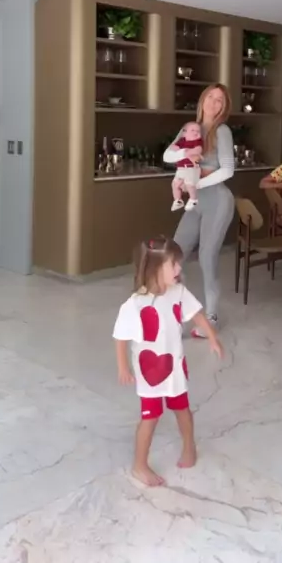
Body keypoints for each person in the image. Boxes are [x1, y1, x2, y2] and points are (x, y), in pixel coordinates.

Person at [113, 236, 223, 487]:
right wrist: (123, 366)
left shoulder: (178, 292)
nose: (179, 268)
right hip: (149, 372)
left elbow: (196, 314)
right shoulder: (134, 305)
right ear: (155, 269)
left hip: (174, 368)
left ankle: (189, 447)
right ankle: (139, 465)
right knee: (150, 416)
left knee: (182, 408)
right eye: (173, 264)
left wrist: (213, 337)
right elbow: (120, 337)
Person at [163, 83, 235, 336]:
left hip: (218, 200)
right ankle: (174, 312)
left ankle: (211, 317)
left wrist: (195, 183)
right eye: (211, 97)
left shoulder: (222, 131)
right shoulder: (190, 129)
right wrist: (185, 152)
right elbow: (167, 156)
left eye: (220, 100)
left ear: (224, 107)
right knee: (174, 255)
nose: (214, 103)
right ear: (202, 100)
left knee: (207, 257)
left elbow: (228, 170)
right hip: (196, 202)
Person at [170, 121, 204, 212]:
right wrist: (176, 149)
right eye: (192, 130)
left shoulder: (197, 142)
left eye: (198, 131)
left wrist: (188, 152)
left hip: (191, 168)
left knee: (190, 184)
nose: (196, 132)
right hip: (181, 168)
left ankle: (193, 199)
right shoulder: (182, 141)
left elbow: (198, 150)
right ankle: (178, 200)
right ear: (184, 133)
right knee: (175, 184)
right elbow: (173, 147)